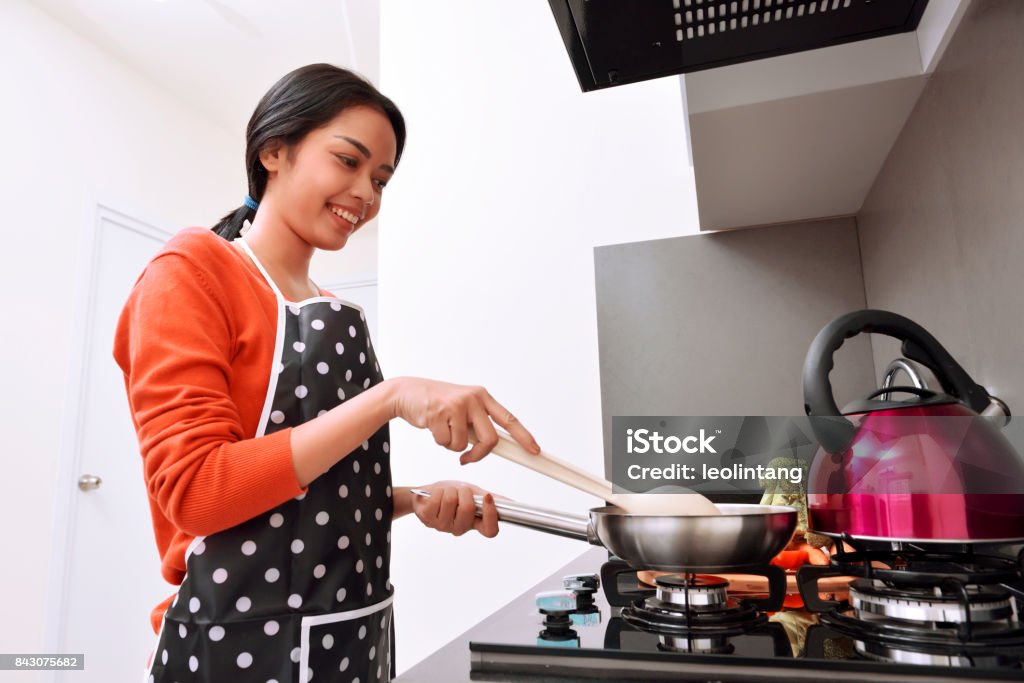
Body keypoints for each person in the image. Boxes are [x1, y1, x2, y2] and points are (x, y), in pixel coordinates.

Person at [113, 63, 540, 683]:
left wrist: (412, 502)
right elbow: (198, 492)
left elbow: (307, 500)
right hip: (232, 648)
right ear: (274, 151)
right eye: (348, 161)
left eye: (382, 179)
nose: (366, 194)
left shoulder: (332, 308)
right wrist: (392, 398)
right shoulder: (191, 271)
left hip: (355, 638)